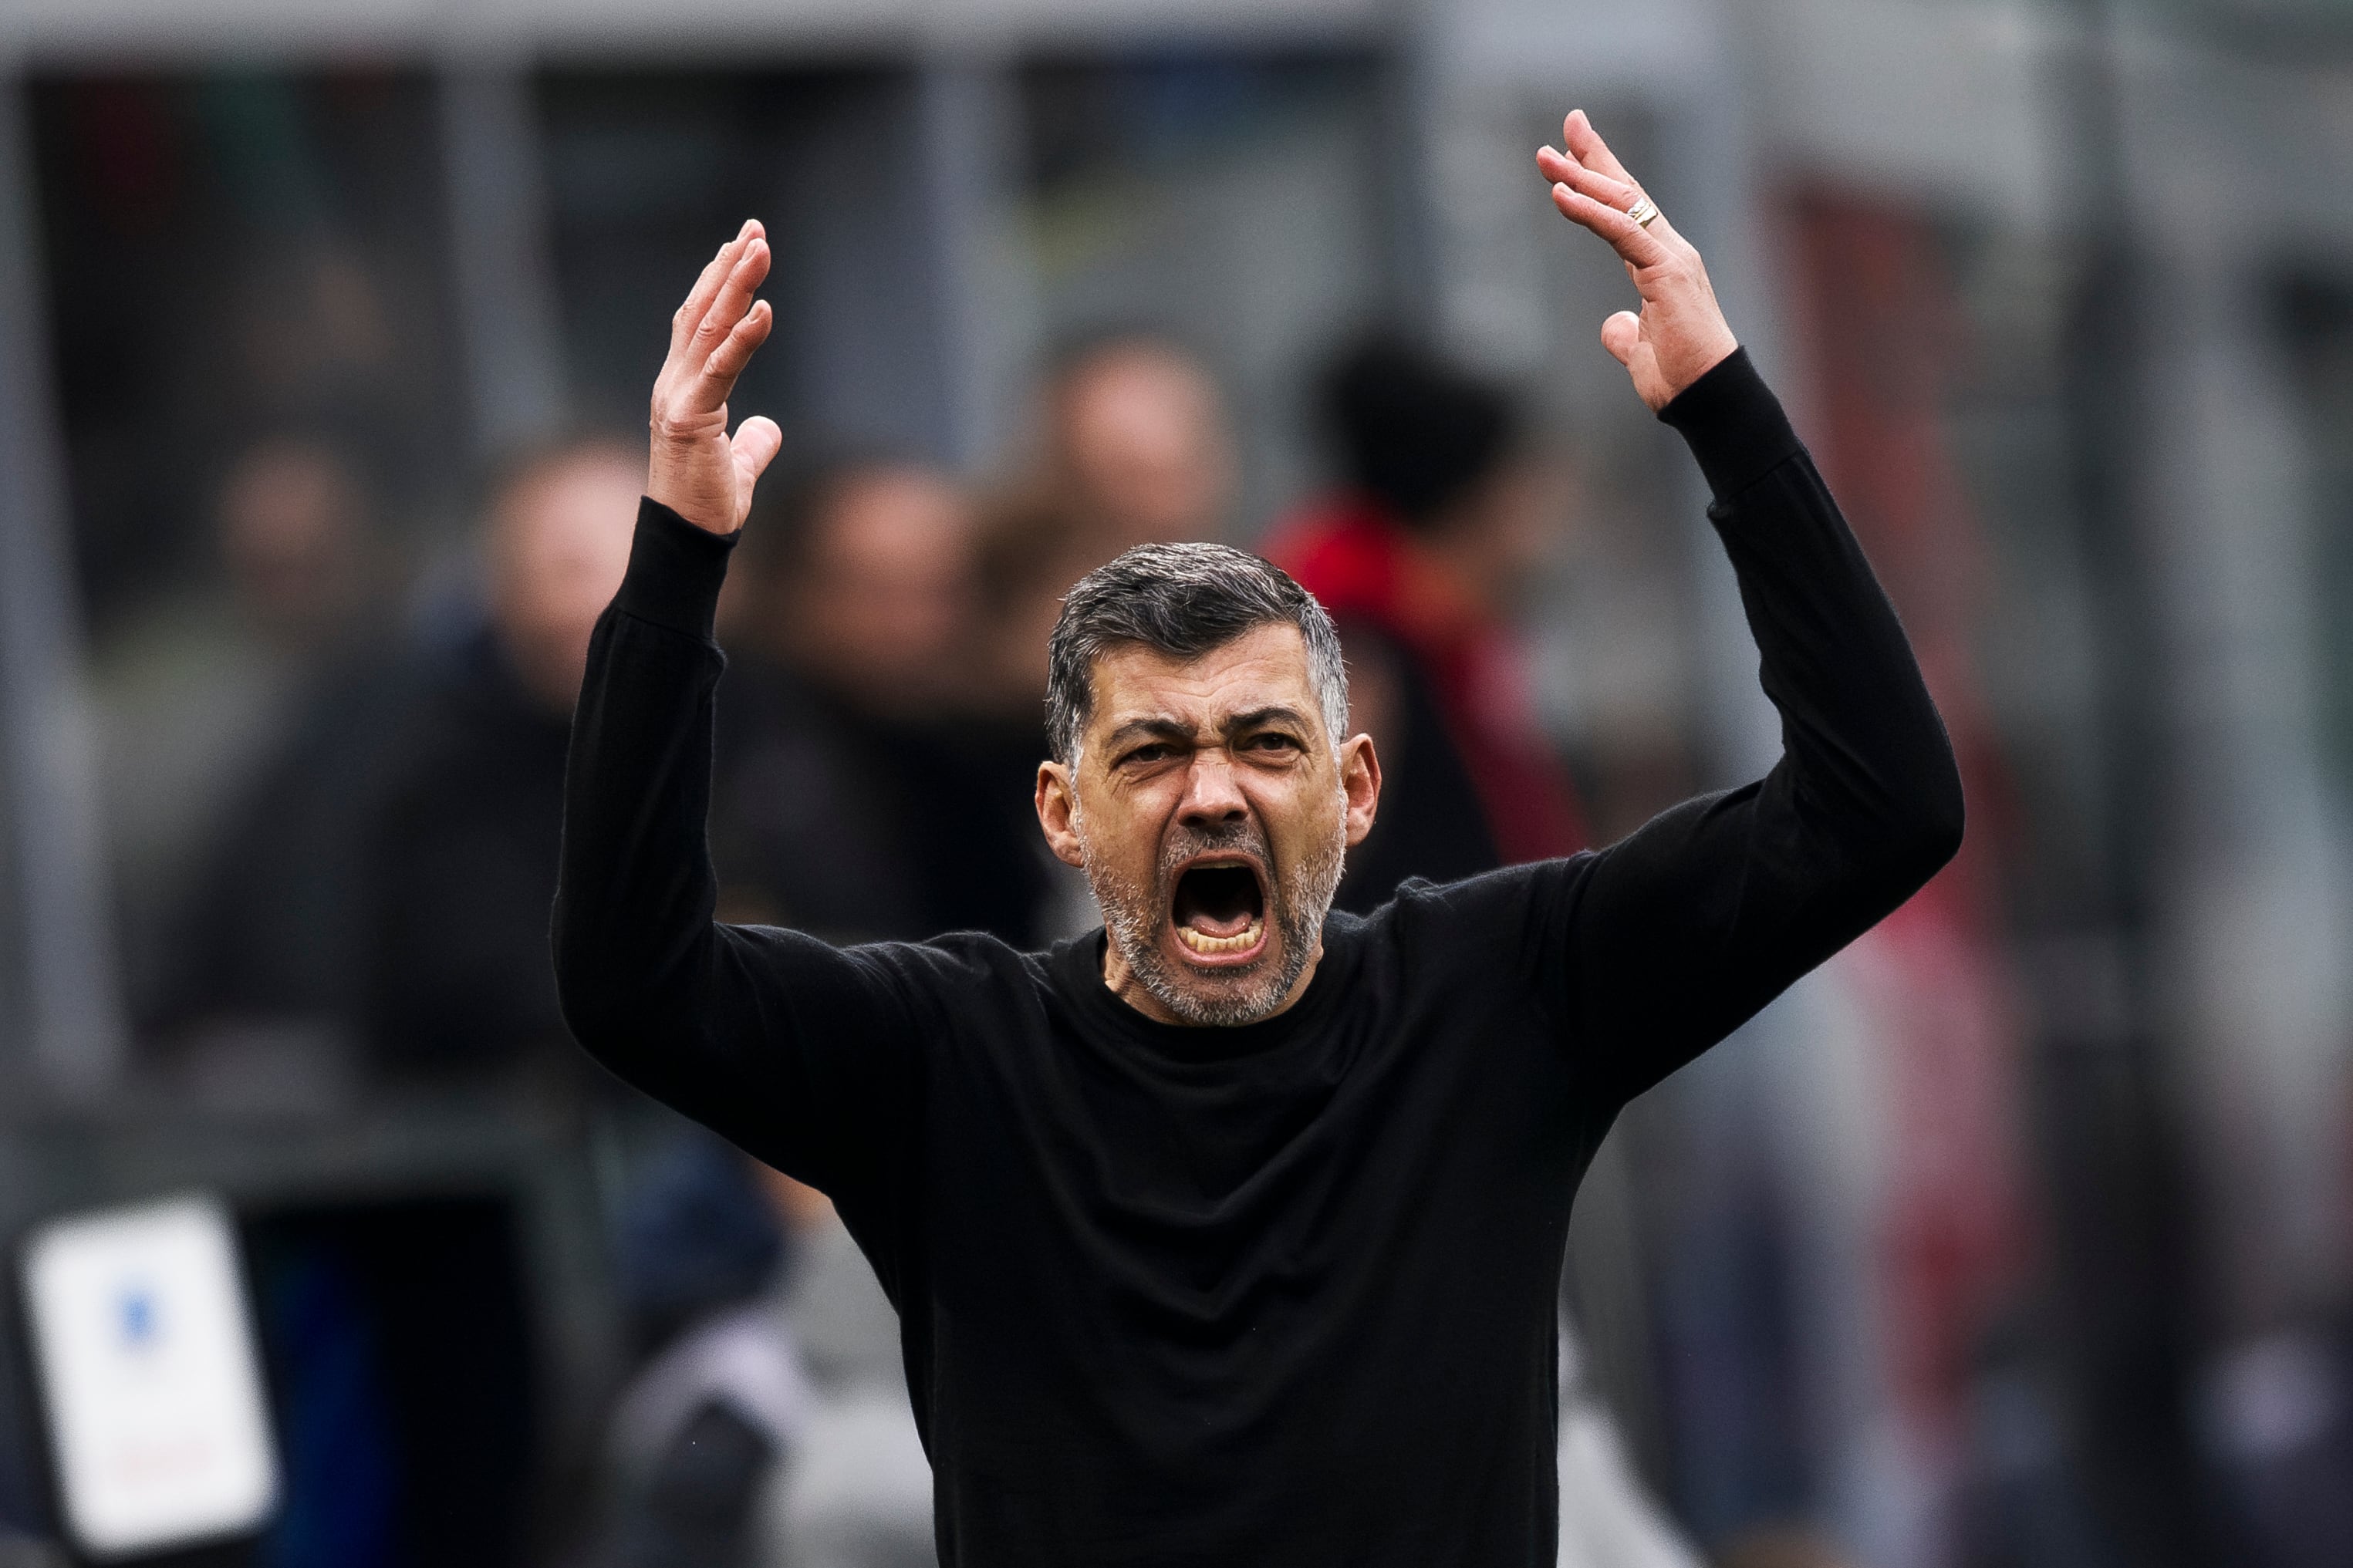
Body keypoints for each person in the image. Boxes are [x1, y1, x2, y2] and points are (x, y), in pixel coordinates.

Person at [555, 110, 1963, 1566]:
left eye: (1264, 743)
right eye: (1152, 751)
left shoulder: (1500, 988)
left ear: (1354, 792)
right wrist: (677, 555)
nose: (1213, 793)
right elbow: (630, 980)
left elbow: (1883, 808)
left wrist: (1725, 410)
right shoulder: (948, 1056)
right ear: (1062, 810)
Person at [1267, 334, 1586, 910]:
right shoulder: (1355, 657)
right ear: (1477, 505)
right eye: (1531, 492)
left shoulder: (1447, 648)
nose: (1554, 522)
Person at [368, 435, 642, 1072]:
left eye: (627, 564)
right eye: (558, 572)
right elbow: (491, 994)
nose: (581, 606)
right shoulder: (442, 775)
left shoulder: (766, 730)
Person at [707, 457, 1043, 945]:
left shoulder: (981, 748)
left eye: (939, 592)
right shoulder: (736, 757)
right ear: (793, 595)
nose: (914, 625)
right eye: (877, 591)